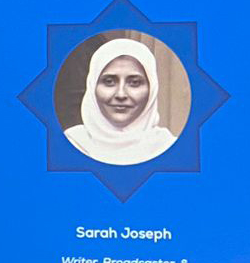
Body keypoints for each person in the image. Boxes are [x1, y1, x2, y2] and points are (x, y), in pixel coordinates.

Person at [63, 36, 177, 166]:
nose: (121, 94)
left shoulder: (168, 147)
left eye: (134, 82)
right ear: (92, 86)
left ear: (151, 89)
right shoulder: (72, 143)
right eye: (109, 81)